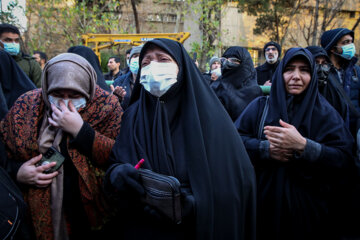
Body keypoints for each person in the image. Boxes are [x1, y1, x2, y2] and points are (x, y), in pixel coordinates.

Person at [104, 38, 256, 239]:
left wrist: (196, 203)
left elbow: (238, 182)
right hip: (140, 226)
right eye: (146, 63)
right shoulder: (133, 116)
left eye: (163, 59)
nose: (153, 67)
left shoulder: (209, 117)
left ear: (182, 67)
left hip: (193, 229)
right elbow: (116, 161)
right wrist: (117, 173)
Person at [0, 53, 122, 240]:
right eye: (57, 94)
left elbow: (119, 156)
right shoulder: (26, 106)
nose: (65, 101)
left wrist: (81, 131)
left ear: (87, 88)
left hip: (91, 211)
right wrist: (17, 173)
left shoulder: (107, 107)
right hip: (35, 213)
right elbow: (4, 153)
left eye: (74, 95)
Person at [235, 48, 354, 240]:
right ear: (280, 73)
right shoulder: (259, 107)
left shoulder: (325, 114)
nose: (296, 76)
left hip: (309, 215)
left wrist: (304, 146)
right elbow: (232, 143)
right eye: (289, 69)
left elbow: (345, 159)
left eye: (304, 70)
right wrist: (265, 149)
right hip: (261, 210)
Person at [321, 28, 360, 139]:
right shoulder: (321, 72)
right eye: (345, 42)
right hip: (331, 132)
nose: (351, 46)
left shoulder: (356, 71)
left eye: (351, 41)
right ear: (333, 49)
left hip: (354, 132)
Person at [211, 46, 263, 121]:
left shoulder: (256, 92)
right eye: (224, 60)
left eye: (233, 60)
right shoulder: (217, 87)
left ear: (245, 63)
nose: (227, 63)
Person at [306, 46, 349, 124]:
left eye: (324, 63)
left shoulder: (335, 94)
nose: (320, 69)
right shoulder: (295, 91)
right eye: (315, 62)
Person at [0, 23, 42, 88]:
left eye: (16, 40)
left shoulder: (31, 64)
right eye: (8, 40)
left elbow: (40, 91)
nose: (13, 44)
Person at [112, 45, 143, 110]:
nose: (137, 59)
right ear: (129, 61)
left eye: (140, 56)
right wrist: (116, 100)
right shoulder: (120, 81)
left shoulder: (152, 82)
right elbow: (113, 108)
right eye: (135, 56)